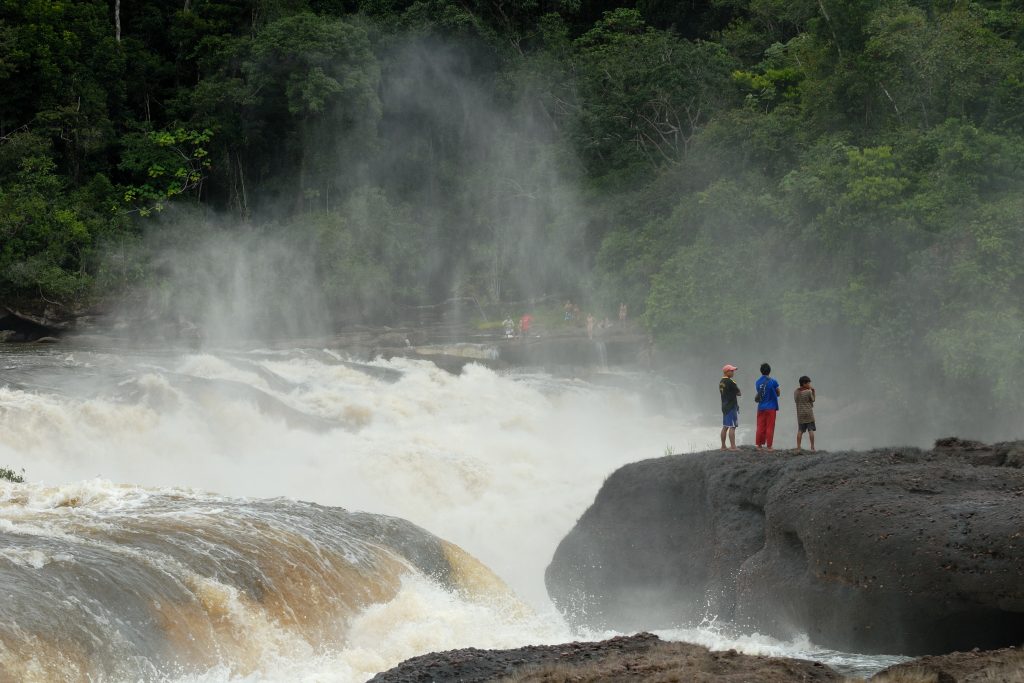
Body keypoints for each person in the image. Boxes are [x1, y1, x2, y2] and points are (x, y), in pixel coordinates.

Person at [754, 362, 781, 451]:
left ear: (761, 371)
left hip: (761, 407)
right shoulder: (773, 381)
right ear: (769, 371)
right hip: (771, 407)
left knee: (760, 426)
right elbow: (778, 392)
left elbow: (760, 392)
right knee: (770, 426)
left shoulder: (757, 382)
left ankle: (759, 445)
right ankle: (769, 446)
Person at [719, 364, 741, 451]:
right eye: (731, 371)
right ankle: (733, 446)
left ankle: (723, 446)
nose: (733, 372)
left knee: (725, 426)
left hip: (724, 406)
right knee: (732, 426)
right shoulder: (730, 382)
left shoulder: (721, 382)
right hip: (731, 406)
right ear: (726, 372)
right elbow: (739, 393)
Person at [794, 375, 816, 452]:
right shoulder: (809, 391)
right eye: (808, 383)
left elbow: (796, 401)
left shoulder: (796, 392)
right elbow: (813, 400)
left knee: (800, 430)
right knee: (811, 430)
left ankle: (798, 447)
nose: (809, 385)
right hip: (809, 413)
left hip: (800, 414)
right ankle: (812, 447)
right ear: (804, 383)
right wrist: (813, 391)